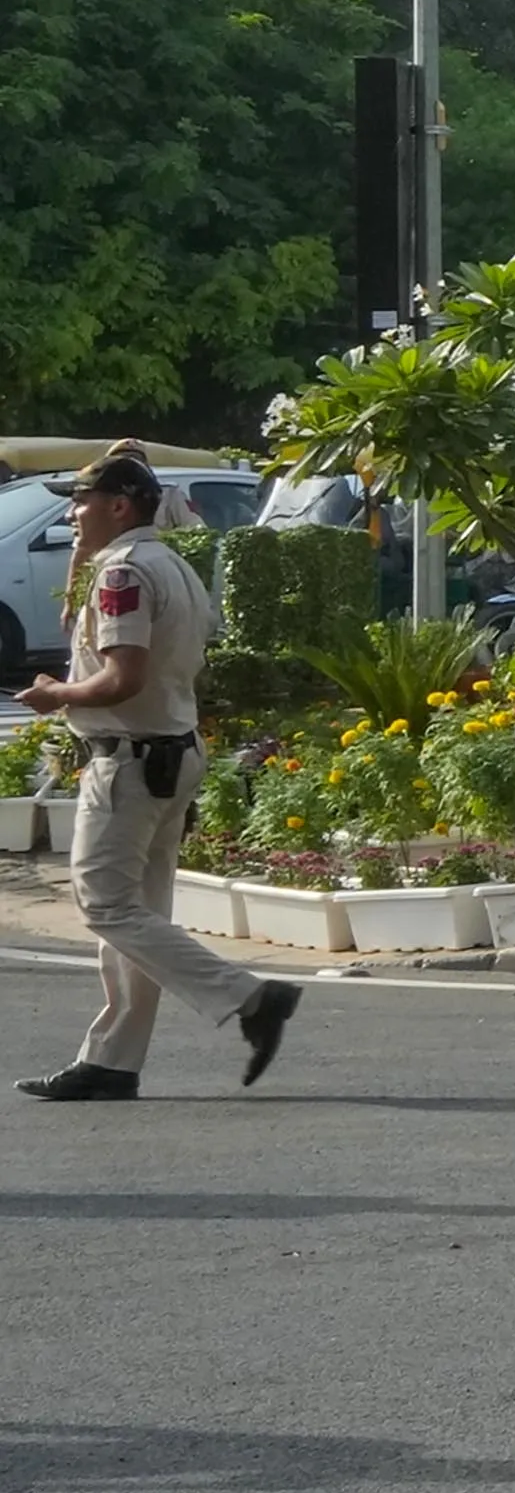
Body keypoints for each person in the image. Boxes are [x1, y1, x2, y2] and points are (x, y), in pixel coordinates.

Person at [16, 449, 299, 1101]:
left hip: (131, 760)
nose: (72, 512)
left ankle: (252, 998)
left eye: (82, 500)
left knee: (107, 905)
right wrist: (82, 558)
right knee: (139, 912)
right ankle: (113, 1060)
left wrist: (58, 694)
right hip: (168, 751)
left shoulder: (125, 575)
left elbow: (123, 678)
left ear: (119, 505)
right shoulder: (166, 561)